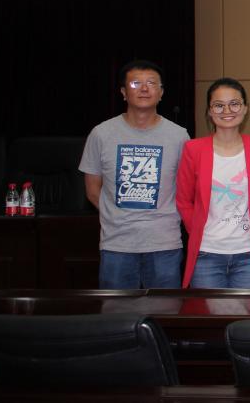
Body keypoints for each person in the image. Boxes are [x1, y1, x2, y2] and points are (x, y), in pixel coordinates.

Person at [80, 60, 189, 288]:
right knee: (116, 310)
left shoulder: (179, 136)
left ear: (161, 93)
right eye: (135, 83)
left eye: (151, 83)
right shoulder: (101, 134)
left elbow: (186, 189)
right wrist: (116, 215)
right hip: (117, 245)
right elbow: (92, 190)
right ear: (123, 92)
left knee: (165, 309)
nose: (144, 89)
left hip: (164, 244)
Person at [175, 78, 250, 288]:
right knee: (207, 310)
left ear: (245, 108)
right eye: (219, 105)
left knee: (248, 310)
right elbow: (183, 200)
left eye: (234, 104)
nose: (227, 110)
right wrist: (199, 230)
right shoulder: (193, 149)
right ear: (210, 111)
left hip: (248, 254)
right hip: (206, 254)